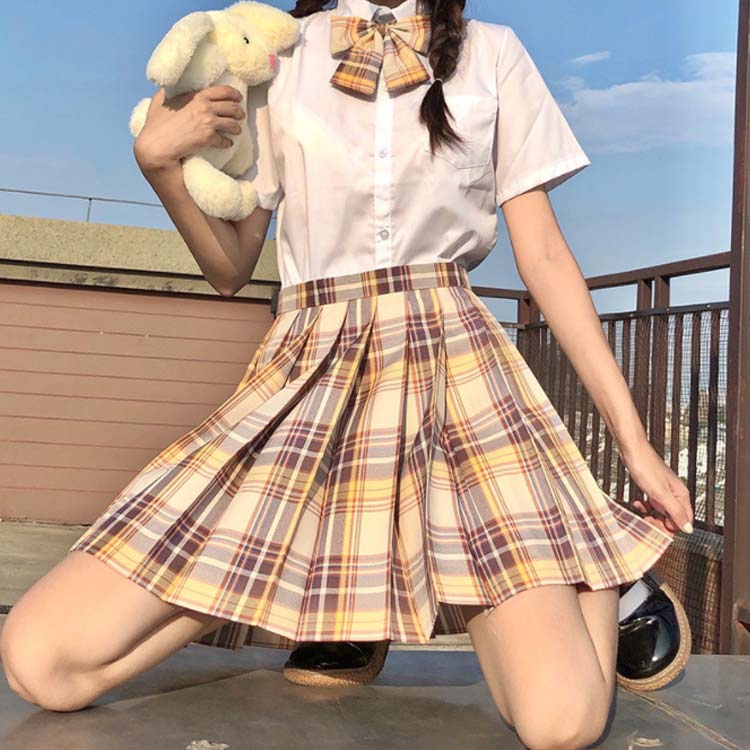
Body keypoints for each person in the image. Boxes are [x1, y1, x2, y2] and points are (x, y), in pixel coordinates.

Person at [0, 0, 694, 747]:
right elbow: (231, 267)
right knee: (43, 665)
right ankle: (359, 606)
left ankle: (598, 561)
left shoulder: (492, 53)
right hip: (310, 369)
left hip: (454, 368)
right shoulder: (280, 56)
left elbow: (546, 257)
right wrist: (158, 165)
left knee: (561, 725)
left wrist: (635, 447)